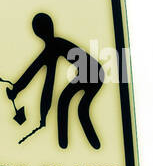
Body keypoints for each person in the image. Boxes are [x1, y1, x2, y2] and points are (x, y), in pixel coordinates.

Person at [8, 12, 104, 149]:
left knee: (69, 103)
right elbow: (38, 75)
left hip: (92, 73)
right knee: (79, 107)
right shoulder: (54, 46)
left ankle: (64, 144)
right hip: (96, 72)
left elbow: (45, 81)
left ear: (38, 32)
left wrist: (17, 90)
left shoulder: (54, 46)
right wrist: (17, 90)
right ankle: (80, 145)